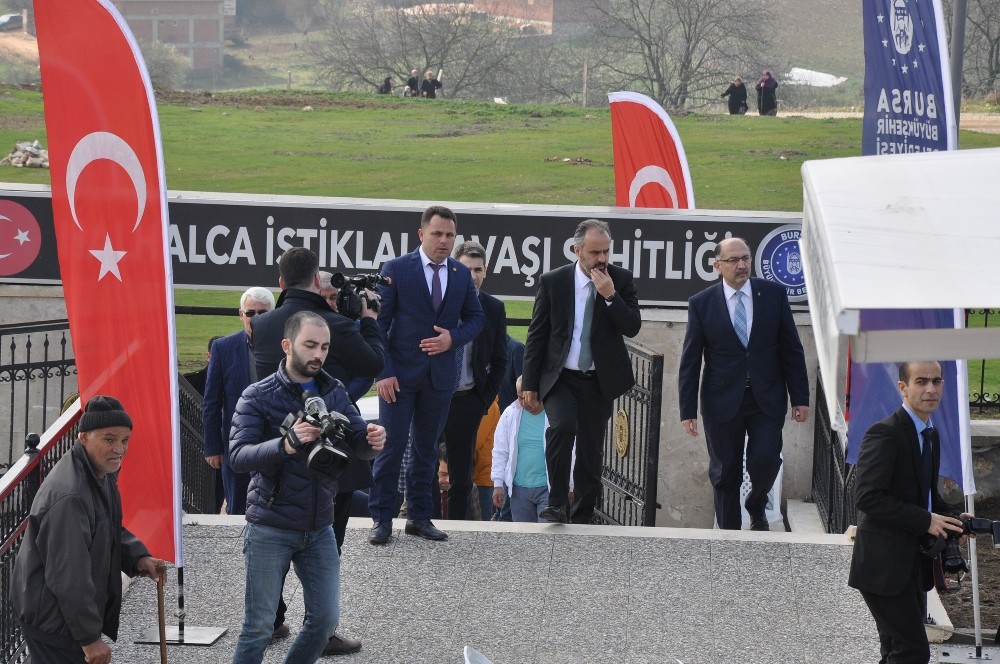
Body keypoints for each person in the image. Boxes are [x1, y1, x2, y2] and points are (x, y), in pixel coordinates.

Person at [230, 311, 386, 664]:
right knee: (258, 626)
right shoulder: (257, 396)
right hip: (271, 525)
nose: (319, 354)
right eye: (310, 345)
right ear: (287, 346)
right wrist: (285, 444)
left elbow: (357, 438)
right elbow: (238, 456)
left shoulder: (335, 389)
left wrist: (372, 440)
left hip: (320, 527)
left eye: (325, 347)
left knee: (325, 622)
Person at [12, 395, 165, 664]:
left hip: (60, 613)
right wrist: (89, 638)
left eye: (125, 440)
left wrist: (138, 557)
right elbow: (69, 575)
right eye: (109, 439)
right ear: (84, 437)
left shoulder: (98, 473)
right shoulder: (71, 494)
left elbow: (108, 527)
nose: (120, 448)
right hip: (54, 618)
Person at [368, 205, 485, 545]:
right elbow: (379, 324)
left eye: (450, 235)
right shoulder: (397, 269)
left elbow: (476, 319)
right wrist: (384, 372)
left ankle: (419, 517)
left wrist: (453, 338)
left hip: (439, 378)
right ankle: (382, 519)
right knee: (390, 449)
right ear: (422, 234)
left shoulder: (460, 275)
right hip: (399, 380)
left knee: (427, 450)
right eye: (437, 234)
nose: (444, 241)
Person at [678, 237, 809, 531]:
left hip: (766, 398)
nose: (742, 265)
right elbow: (690, 360)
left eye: (746, 258)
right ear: (717, 266)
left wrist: (800, 397)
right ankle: (729, 536)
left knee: (765, 460)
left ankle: (756, 502)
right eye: (734, 260)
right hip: (721, 401)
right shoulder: (701, 304)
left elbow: (791, 348)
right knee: (725, 473)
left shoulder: (773, 295)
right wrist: (687, 410)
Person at [521, 219, 641, 524]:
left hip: (599, 380)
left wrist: (611, 296)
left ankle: (584, 511)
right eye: (594, 252)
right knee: (562, 428)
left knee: (590, 446)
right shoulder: (554, 281)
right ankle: (557, 502)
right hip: (561, 377)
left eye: (606, 251)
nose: (601, 259)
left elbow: (632, 326)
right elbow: (537, 334)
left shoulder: (621, 280)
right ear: (577, 251)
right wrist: (530, 384)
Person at [848, 361, 967, 664]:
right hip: (883, 568)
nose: (930, 389)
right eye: (921, 381)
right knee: (912, 652)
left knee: (896, 652)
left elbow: (925, 496)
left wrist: (952, 516)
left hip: (912, 567)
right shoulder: (885, 434)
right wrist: (926, 521)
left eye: (937, 381)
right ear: (903, 387)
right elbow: (867, 497)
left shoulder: (931, 434)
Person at [442, 240, 507, 520]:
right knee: (422, 468)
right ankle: (422, 522)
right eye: (466, 269)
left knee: (461, 475)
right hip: (433, 396)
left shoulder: (492, 308)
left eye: (478, 269)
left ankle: (456, 529)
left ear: (485, 271)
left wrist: (482, 400)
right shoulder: (439, 301)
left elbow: (501, 360)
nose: (473, 275)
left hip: (467, 400)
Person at [203, 287, 275, 516]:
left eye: (262, 313)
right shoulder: (223, 348)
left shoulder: (286, 346)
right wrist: (213, 447)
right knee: (238, 508)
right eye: (251, 313)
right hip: (236, 443)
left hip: (276, 440)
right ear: (241, 314)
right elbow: (212, 401)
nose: (256, 318)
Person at [492, 377, 557, 522]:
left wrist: (570, 485)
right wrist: (498, 484)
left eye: (527, 397)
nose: (523, 402)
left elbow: (569, 452)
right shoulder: (510, 413)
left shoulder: (554, 414)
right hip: (519, 490)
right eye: (519, 397)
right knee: (524, 541)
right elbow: (500, 451)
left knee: (547, 538)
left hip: (547, 489)